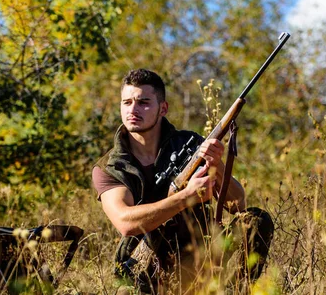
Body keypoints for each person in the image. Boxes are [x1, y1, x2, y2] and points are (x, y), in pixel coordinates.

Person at [92, 69, 273, 293]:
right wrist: (185, 196)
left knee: (256, 220)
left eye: (144, 102)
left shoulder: (189, 144)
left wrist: (216, 165)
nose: (133, 110)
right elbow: (126, 223)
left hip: (201, 250)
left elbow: (237, 205)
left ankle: (239, 290)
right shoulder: (109, 166)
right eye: (127, 102)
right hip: (147, 267)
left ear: (163, 108)